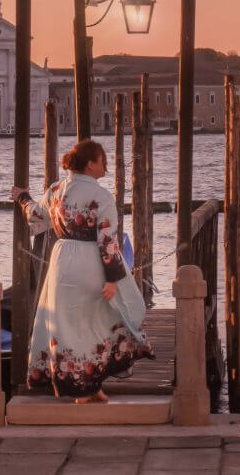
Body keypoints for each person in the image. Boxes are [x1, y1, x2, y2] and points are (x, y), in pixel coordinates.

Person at [10, 138, 153, 403]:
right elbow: (108, 242)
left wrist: (22, 197)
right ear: (90, 163)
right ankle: (87, 387)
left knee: (69, 326)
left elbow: (35, 216)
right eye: (103, 161)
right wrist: (112, 280)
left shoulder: (56, 189)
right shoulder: (101, 196)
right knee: (97, 322)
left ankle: (88, 386)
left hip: (62, 262)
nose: (106, 166)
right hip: (91, 262)